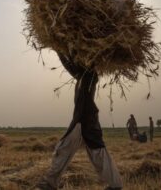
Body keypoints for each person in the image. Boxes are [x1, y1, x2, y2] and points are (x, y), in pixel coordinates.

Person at [36, 54, 122, 190]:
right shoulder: (86, 75)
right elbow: (73, 68)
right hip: (85, 120)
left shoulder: (89, 74)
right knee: (96, 153)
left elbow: (71, 67)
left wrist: (59, 52)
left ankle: (50, 184)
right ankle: (115, 185)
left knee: (65, 149)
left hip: (84, 120)